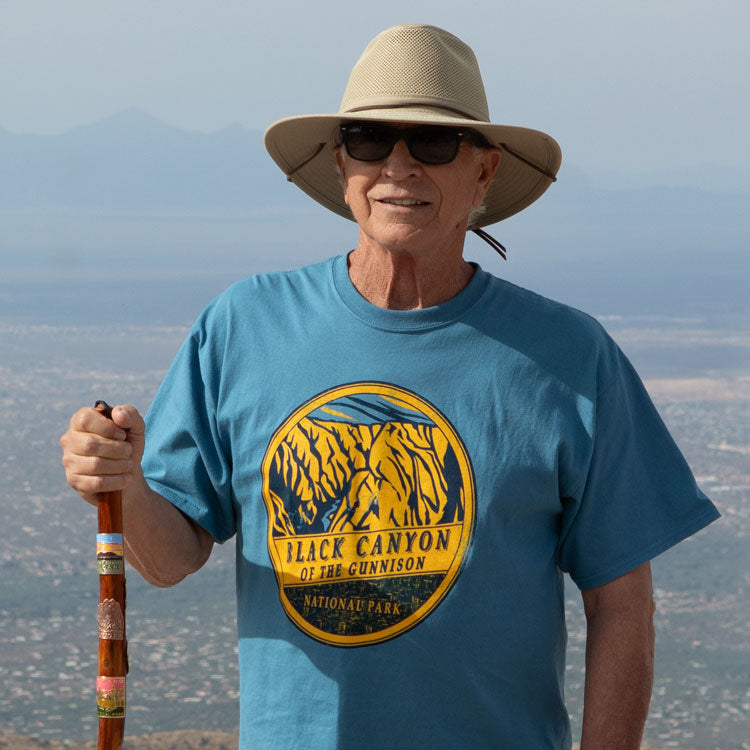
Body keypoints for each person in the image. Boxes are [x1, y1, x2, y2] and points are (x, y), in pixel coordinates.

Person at [61, 24, 719, 750]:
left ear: (485, 171)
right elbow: (170, 556)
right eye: (370, 139)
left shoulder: (570, 356)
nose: (398, 164)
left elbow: (622, 604)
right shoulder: (243, 327)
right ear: (342, 163)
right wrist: (123, 484)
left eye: (433, 144)